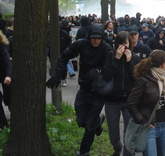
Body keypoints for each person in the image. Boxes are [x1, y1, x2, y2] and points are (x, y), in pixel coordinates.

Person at [46, 24, 114, 156]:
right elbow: (64, 56)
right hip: (84, 88)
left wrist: (100, 71)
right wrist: (58, 75)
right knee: (81, 121)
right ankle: (98, 121)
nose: (96, 41)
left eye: (99, 38)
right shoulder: (81, 44)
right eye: (93, 38)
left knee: (89, 126)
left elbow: (112, 68)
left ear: (102, 38)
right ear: (89, 37)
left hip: (98, 91)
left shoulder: (106, 48)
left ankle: (84, 151)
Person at [126, 50, 165, 156]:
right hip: (150, 127)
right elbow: (131, 103)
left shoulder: (162, 79)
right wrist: (143, 121)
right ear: (162, 64)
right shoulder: (143, 81)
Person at [102, 31, 140, 156]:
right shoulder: (110, 55)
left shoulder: (134, 58)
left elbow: (135, 79)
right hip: (112, 100)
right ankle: (117, 148)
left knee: (128, 135)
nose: (123, 47)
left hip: (129, 101)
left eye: (126, 44)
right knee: (113, 135)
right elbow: (106, 75)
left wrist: (129, 62)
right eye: (121, 44)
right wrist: (116, 59)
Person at [0, 30, 11, 129]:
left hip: (3, 74)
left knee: (8, 98)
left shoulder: (1, 46)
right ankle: (2, 125)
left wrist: (8, 75)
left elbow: (7, 62)